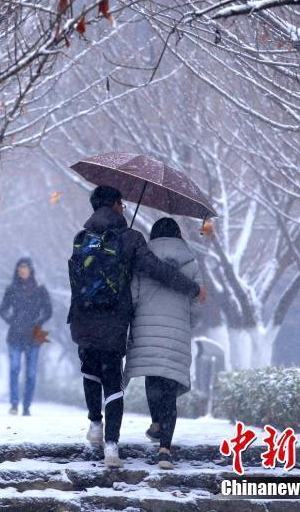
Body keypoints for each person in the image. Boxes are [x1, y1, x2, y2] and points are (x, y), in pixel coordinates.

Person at [68, 185, 206, 468]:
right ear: (117, 205)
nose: (124, 208)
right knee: (112, 381)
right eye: (122, 203)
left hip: (83, 318)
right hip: (113, 321)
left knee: (90, 372)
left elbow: (76, 279)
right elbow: (157, 270)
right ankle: (111, 448)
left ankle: (95, 422)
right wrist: (192, 288)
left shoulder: (81, 238)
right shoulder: (131, 238)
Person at [124, 217, 201, 470]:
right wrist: (186, 321)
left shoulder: (143, 259)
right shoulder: (190, 261)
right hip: (177, 331)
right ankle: (165, 449)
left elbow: (133, 297)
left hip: (146, 329)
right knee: (169, 389)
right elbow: (196, 303)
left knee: (153, 377)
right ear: (178, 234)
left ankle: (156, 421)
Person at [0, 257, 52, 416]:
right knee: (14, 369)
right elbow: (2, 309)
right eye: (20, 267)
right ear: (17, 270)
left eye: (25, 267)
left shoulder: (40, 289)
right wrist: (11, 321)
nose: (22, 270)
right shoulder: (11, 289)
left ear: (31, 270)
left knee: (31, 373)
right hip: (15, 334)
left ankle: (27, 406)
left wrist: (39, 323)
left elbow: (48, 311)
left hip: (35, 334)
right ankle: (14, 404)